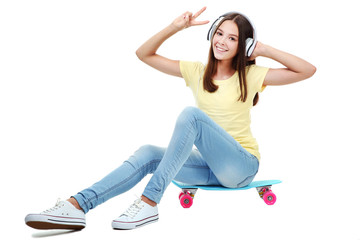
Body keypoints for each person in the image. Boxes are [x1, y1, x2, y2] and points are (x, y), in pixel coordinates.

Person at [25, 7, 316, 231]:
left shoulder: (251, 75)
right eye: (219, 34)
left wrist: (264, 50)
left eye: (233, 38)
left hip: (240, 166)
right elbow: (144, 54)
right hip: (207, 167)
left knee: (192, 115)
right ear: (211, 35)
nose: (223, 42)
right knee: (148, 153)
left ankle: (149, 202)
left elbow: (307, 70)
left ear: (243, 45)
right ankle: (78, 206)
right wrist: (175, 27)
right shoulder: (196, 71)